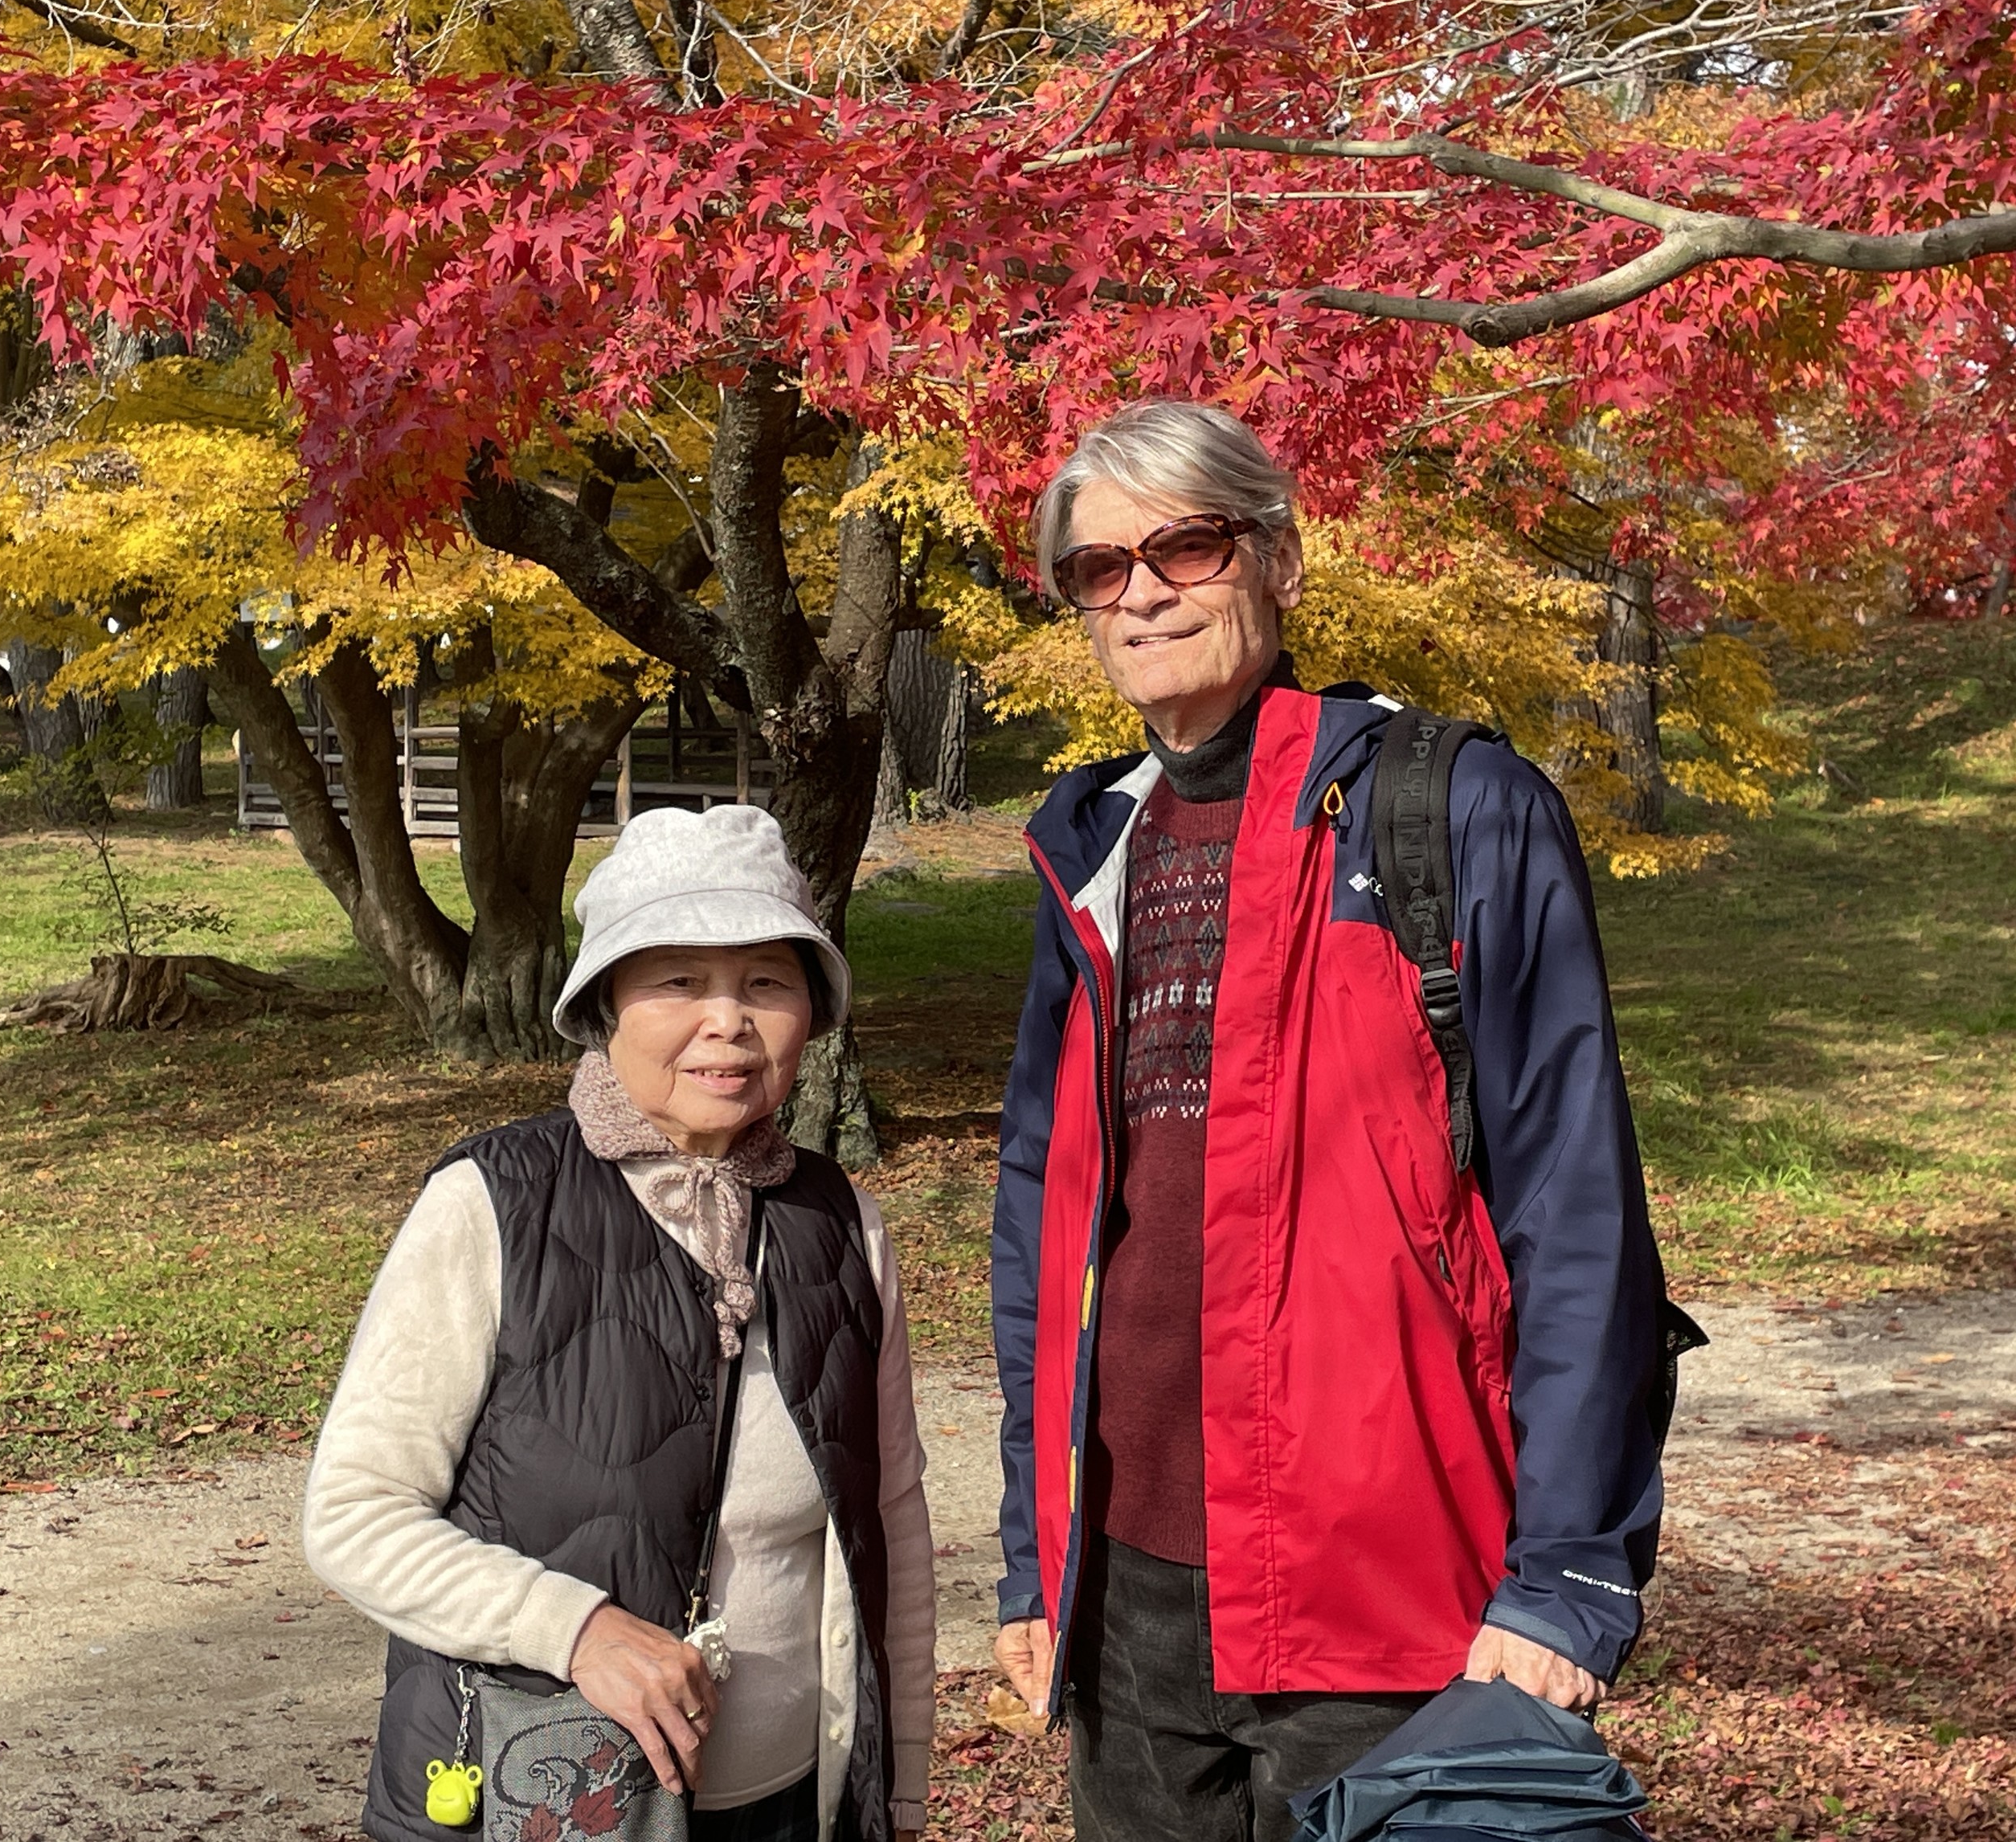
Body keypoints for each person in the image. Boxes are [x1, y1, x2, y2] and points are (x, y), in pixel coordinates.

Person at [989, 401, 1677, 1842]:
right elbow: (1041, 1224)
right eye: (1100, 567)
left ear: (1280, 559)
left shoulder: (1452, 806)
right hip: (1126, 1597)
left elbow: (1575, 1214)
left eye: (1185, 545)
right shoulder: (1088, 848)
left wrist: (1566, 1574)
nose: (1142, 591)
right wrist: (1032, 1556)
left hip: (1384, 1581)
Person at [305, 805, 935, 1842]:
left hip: (790, 1803)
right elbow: (355, 1514)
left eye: (766, 982)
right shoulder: (493, 1203)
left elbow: (891, 1525)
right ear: (604, 1004)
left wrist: (897, 1786)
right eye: (678, 980)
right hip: (540, 1799)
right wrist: (575, 1628)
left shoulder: (842, 1224)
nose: (727, 1020)